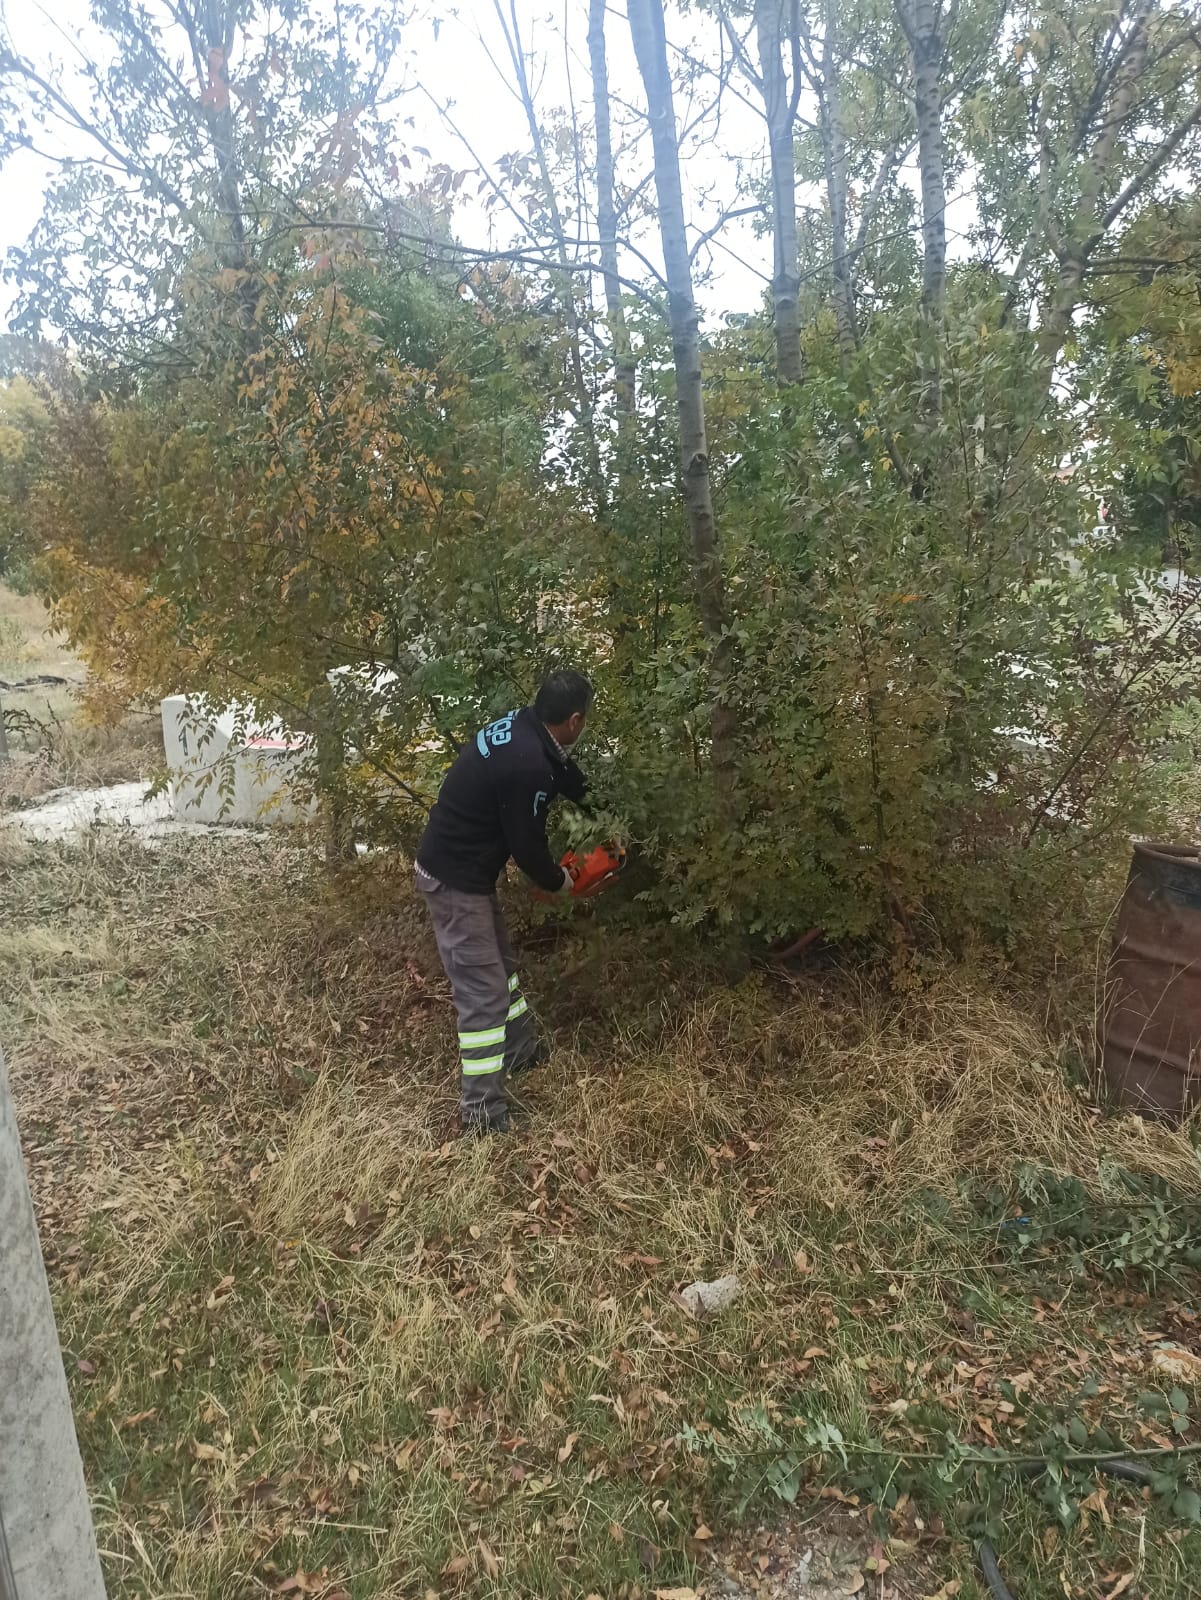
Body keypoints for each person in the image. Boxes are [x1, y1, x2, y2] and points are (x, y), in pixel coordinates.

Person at [415, 670, 593, 1134]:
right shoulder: (527, 762)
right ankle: (481, 1115)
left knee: (501, 968)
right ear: (574, 720)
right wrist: (561, 883)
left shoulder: (524, 727)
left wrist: (598, 803)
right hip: (455, 880)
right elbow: (528, 848)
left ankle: (521, 1053)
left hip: (465, 872)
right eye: (585, 720)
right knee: (484, 994)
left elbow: (560, 772)